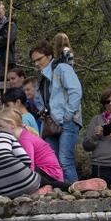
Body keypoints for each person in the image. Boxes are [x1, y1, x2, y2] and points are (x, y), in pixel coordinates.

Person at [31, 41, 83, 182]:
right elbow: (38, 99)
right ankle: (62, 193)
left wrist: (68, 115)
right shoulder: (41, 77)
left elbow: (76, 91)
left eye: (39, 59)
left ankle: (75, 193)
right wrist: (43, 113)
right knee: (53, 163)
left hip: (67, 121)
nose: (36, 63)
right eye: (34, 61)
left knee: (65, 161)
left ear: (48, 56)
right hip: (51, 123)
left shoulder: (62, 68)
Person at [0, 106, 69, 190]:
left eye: (1, 127)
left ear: (12, 125)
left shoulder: (24, 140)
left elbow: (29, 164)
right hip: (49, 172)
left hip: (50, 174)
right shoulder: (22, 135)